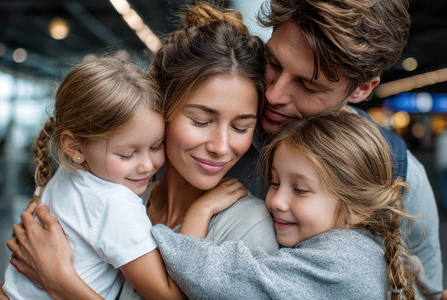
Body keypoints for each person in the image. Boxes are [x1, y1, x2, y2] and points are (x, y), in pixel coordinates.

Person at [1, 3, 279, 299]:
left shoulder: (250, 226)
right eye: (201, 121)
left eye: (241, 127)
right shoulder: (129, 195)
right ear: (161, 110)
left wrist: (63, 284)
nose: (221, 147)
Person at [226, 0, 442, 291]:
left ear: (362, 88)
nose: (274, 94)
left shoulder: (397, 174)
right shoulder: (209, 134)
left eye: (308, 85)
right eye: (273, 63)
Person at [151, 111, 442, 299]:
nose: (275, 201)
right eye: (274, 183)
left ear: (358, 209)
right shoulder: (373, 253)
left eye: (300, 190)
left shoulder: (342, 265)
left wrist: (198, 211)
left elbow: (218, 279)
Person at [0, 57, 192, 299]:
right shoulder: (115, 202)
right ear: (75, 148)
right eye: (127, 154)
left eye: (156, 146)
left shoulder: (70, 172)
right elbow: (170, 296)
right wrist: (201, 210)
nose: (147, 165)